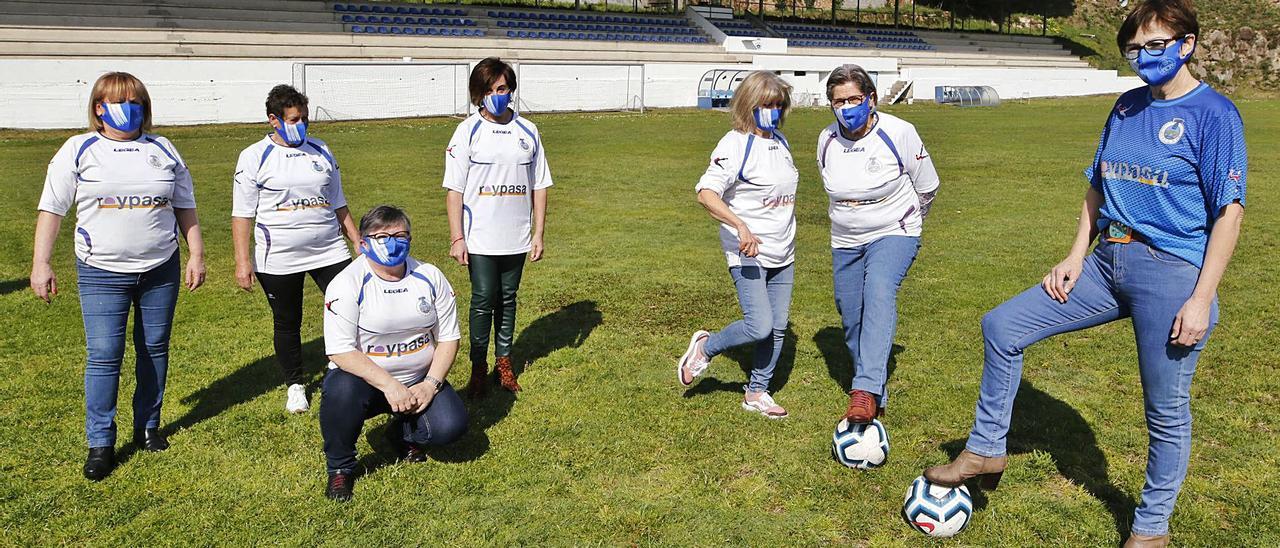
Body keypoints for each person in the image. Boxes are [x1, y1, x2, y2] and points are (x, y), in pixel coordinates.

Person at [923, 2, 1245, 546]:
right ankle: (985, 450)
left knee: (1164, 409)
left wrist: (1201, 297)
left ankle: (1150, 528)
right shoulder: (1124, 107)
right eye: (1135, 49)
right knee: (1003, 326)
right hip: (1105, 261)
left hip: (1171, 272)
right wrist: (1076, 255)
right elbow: (1098, 184)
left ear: (1187, 44)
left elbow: (1229, 213)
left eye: (1156, 46)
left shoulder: (1214, 114)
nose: (1144, 57)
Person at [31, 72, 206, 481]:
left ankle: (148, 426)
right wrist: (42, 262)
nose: (129, 107)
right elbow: (52, 210)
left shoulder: (163, 148)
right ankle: (101, 442)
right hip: (100, 272)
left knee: (154, 348)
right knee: (105, 356)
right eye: (119, 100)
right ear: (98, 107)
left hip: (160, 268)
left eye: (136, 101)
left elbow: (185, 206)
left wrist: (195, 253)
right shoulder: (79, 149)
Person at [816, 65, 939, 424]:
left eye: (855, 98)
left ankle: (864, 391)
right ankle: (875, 389)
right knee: (851, 314)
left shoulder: (899, 132)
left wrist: (911, 222)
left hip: (894, 231)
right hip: (845, 238)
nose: (847, 106)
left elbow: (927, 186)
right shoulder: (826, 139)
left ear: (871, 99)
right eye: (839, 101)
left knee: (880, 292)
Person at [319, 205, 468, 501]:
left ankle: (400, 434)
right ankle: (340, 468)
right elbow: (339, 351)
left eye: (400, 235)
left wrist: (431, 384)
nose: (392, 242)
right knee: (340, 391)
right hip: (366, 385)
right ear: (363, 243)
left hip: (418, 380)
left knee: (451, 428)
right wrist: (390, 386)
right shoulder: (346, 283)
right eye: (381, 236)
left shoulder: (430, 276)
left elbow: (449, 338)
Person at [676, 71, 798, 419]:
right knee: (759, 325)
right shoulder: (734, 144)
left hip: (783, 251)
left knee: (777, 328)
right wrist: (740, 225)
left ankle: (757, 392)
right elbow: (706, 193)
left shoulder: (781, 142)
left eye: (779, 104)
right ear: (749, 104)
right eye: (766, 104)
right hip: (747, 251)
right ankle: (706, 347)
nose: (773, 111)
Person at [232, 84, 359, 414]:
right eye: (293, 119)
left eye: (305, 118)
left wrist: (357, 241)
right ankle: (295, 385)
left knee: (346, 307)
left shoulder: (322, 150)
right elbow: (242, 213)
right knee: (287, 321)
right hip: (279, 257)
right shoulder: (253, 156)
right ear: (273, 120)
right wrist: (243, 261)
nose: (301, 124)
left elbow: (338, 203)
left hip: (329, 249)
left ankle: (340, 365)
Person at [443, 57, 552, 397]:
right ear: (479, 95)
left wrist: (537, 233)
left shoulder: (528, 130)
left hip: (516, 237)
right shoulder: (467, 131)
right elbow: (454, 191)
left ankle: (504, 362)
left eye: (502, 88)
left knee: (508, 299)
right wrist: (457, 238)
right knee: (482, 299)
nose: (497, 95)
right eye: (489, 90)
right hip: (480, 239)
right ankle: (479, 366)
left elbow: (540, 185)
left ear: (511, 90)